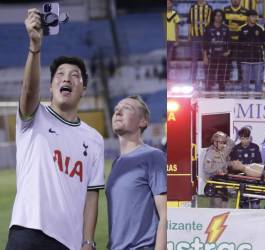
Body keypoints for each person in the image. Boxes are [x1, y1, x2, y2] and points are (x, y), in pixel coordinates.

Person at [6, 9, 104, 250]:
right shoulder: (34, 117)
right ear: (50, 87)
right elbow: (29, 92)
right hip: (28, 230)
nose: (66, 78)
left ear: (84, 89)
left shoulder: (94, 139)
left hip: (68, 243)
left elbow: (92, 194)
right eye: (59, 75)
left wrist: (88, 240)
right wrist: (35, 48)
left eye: (75, 75)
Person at [106, 96, 167, 250]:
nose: (118, 111)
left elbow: (166, 215)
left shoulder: (153, 156)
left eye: (127, 108)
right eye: (116, 109)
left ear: (143, 121)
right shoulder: (116, 163)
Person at [229, 127, 262, 208]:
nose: (245, 141)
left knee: (255, 205)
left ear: (250, 138)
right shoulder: (236, 149)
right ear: (240, 138)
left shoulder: (255, 147)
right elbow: (233, 166)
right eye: (243, 138)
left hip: (254, 179)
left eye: (247, 138)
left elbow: (259, 164)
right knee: (244, 205)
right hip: (241, 179)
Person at [203, 131, 235, 208]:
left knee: (225, 206)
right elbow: (206, 169)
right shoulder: (210, 153)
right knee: (216, 207)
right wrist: (217, 170)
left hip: (223, 183)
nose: (222, 145)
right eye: (220, 143)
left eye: (223, 143)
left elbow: (231, 144)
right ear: (215, 142)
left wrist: (225, 136)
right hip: (214, 182)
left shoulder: (223, 151)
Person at [203, 9, 231, 91]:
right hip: (211, 55)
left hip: (222, 56)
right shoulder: (208, 28)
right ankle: (208, 92)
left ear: (222, 17)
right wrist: (205, 56)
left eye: (220, 16)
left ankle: (221, 94)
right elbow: (205, 43)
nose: (218, 17)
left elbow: (229, 41)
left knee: (221, 75)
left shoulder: (226, 28)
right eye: (216, 15)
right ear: (213, 17)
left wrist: (228, 51)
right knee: (210, 75)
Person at [239, 10, 265, 92]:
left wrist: (264, 56)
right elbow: (239, 43)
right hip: (245, 59)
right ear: (248, 17)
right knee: (245, 81)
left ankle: (258, 99)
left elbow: (264, 43)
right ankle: (245, 98)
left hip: (258, 58)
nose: (254, 18)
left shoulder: (260, 28)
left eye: (255, 16)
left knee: (258, 81)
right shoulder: (242, 28)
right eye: (252, 16)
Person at [187, 0, 212, 85]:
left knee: (206, 59)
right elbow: (189, 22)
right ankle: (192, 80)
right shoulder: (192, 7)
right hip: (195, 37)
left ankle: (207, 80)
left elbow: (210, 24)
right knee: (194, 60)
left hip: (205, 37)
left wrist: (209, 37)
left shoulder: (209, 8)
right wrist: (189, 34)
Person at [224, 0, 248, 82]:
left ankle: (241, 79)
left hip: (240, 40)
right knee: (227, 60)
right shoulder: (225, 10)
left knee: (240, 60)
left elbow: (247, 27)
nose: (235, 1)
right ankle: (226, 78)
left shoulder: (245, 11)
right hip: (228, 40)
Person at [167, 0, 180, 78]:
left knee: (168, 59)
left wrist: (177, 39)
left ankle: (167, 76)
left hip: (171, 40)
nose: (167, 5)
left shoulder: (174, 14)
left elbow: (177, 27)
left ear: (172, 4)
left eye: (169, 3)